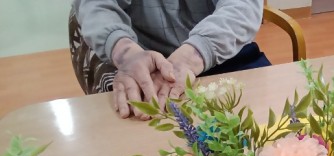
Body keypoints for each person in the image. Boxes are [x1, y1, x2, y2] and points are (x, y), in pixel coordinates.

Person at [70, 0, 269, 119]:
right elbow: (96, 7)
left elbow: (242, 7)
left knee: (265, 132)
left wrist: (189, 58)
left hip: (220, 51)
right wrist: (127, 54)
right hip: (143, 62)